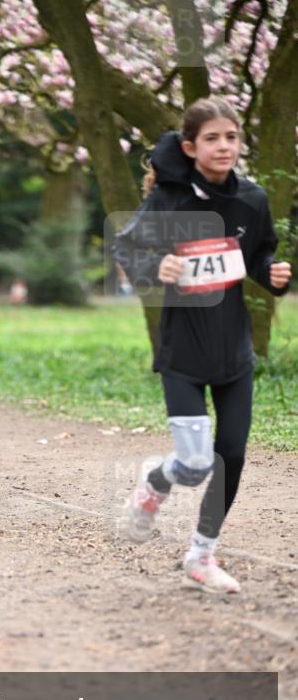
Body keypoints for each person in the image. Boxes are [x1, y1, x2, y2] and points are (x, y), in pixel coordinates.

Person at [114, 96, 291, 594]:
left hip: (233, 352)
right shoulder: (170, 199)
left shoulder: (252, 200)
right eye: (212, 138)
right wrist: (158, 269)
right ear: (191, 147)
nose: (224, 146)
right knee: (193, 466)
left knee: (231, 454)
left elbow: (258, 255)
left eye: (231, 137)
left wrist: (272, 276)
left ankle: (201, 554)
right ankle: (155, 483)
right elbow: (127, 247)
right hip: (184, 353)